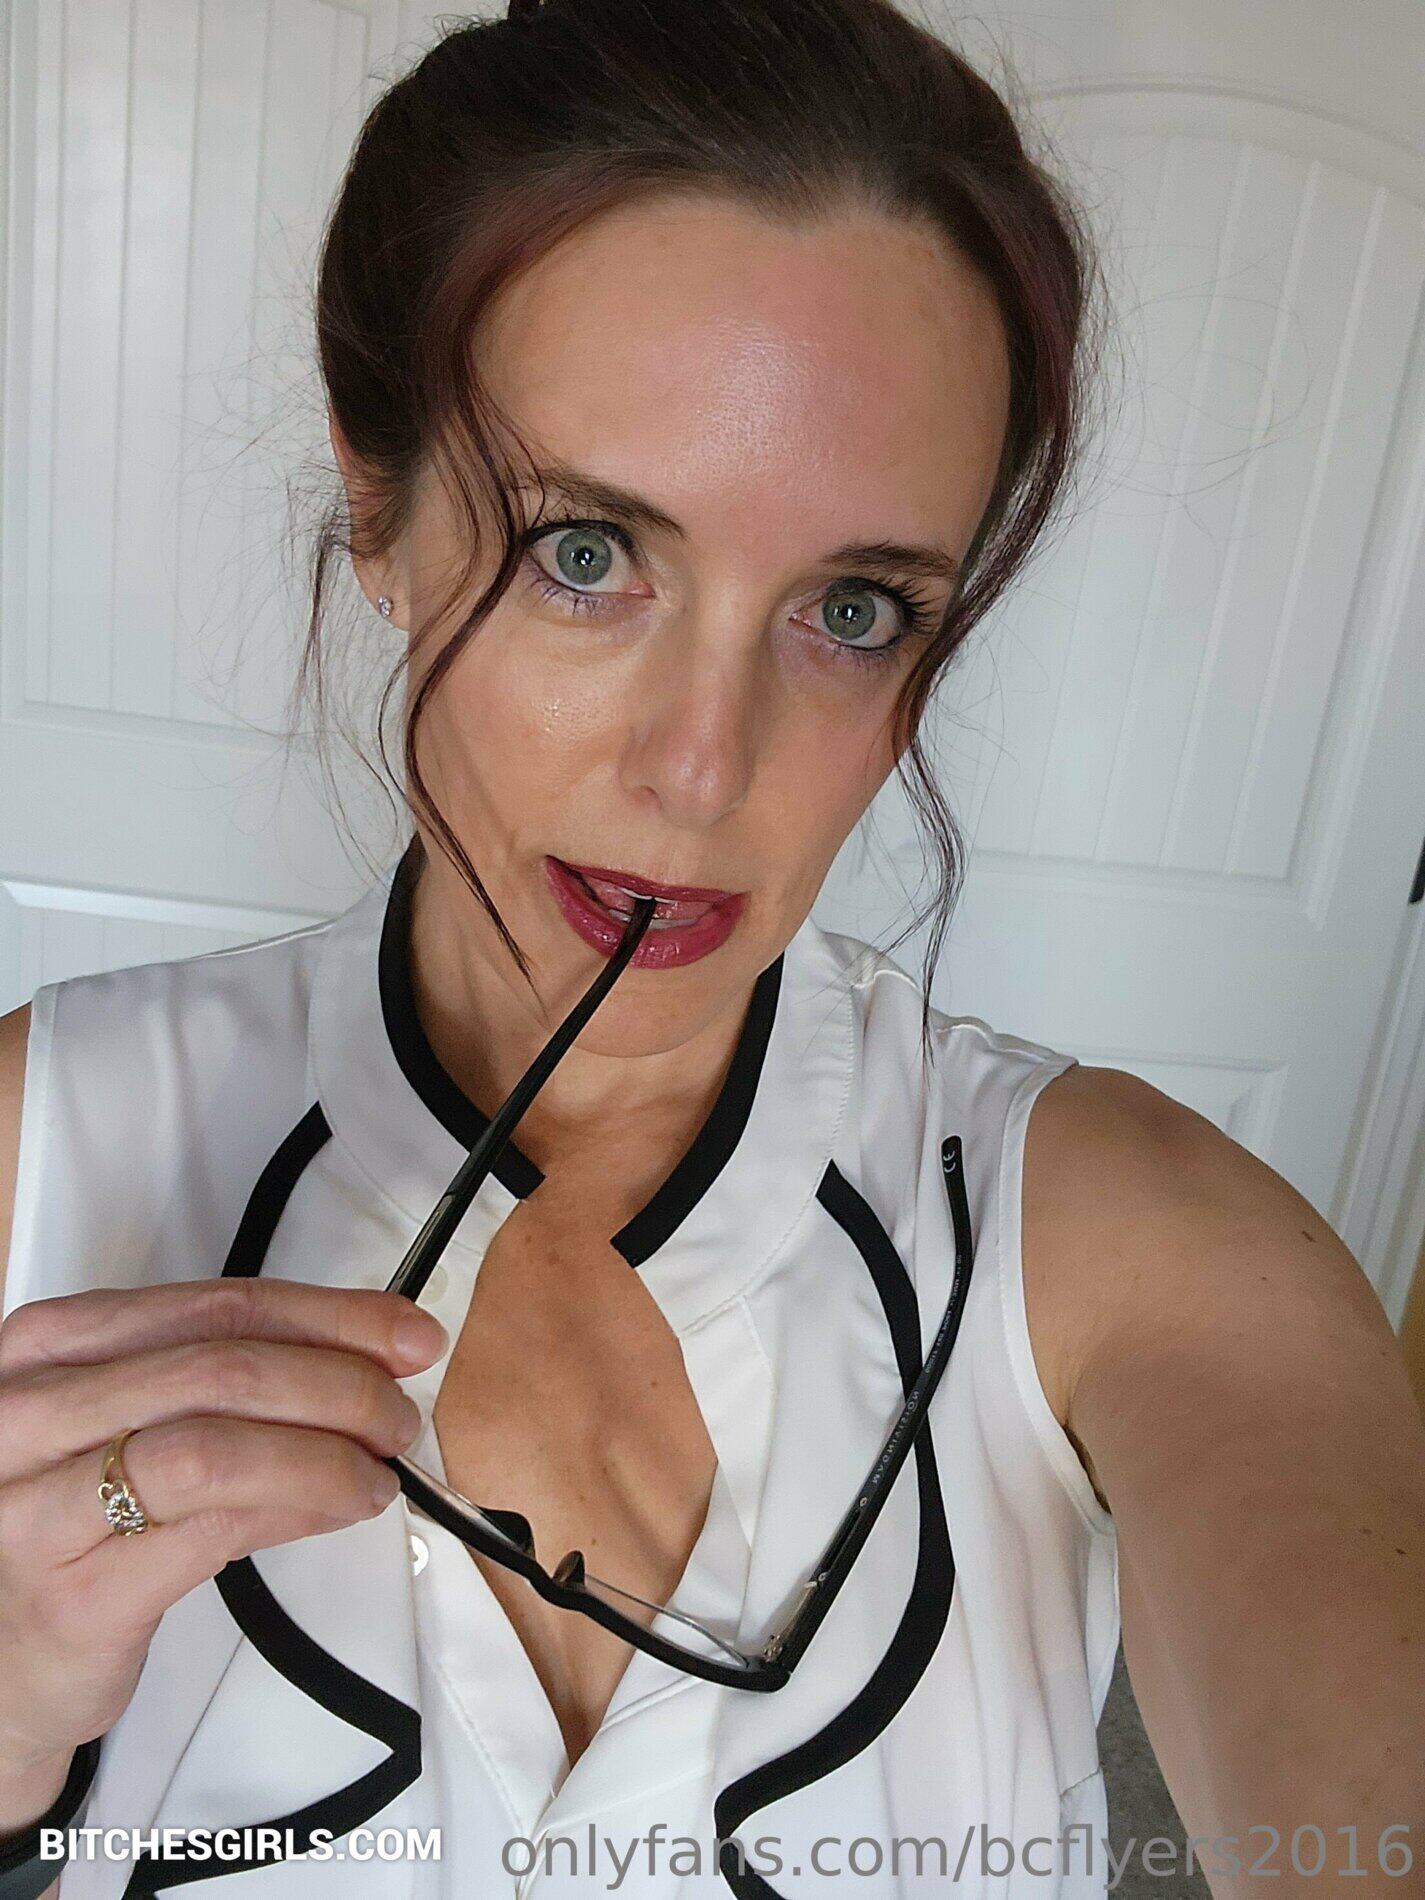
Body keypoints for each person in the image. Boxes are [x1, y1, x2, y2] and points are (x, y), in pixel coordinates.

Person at [1, 1, 1422, 1895]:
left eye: (853, 608)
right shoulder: (43, 1154)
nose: (701, 770)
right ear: (375, 507)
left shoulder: (1127, 1239)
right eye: (586, 554)